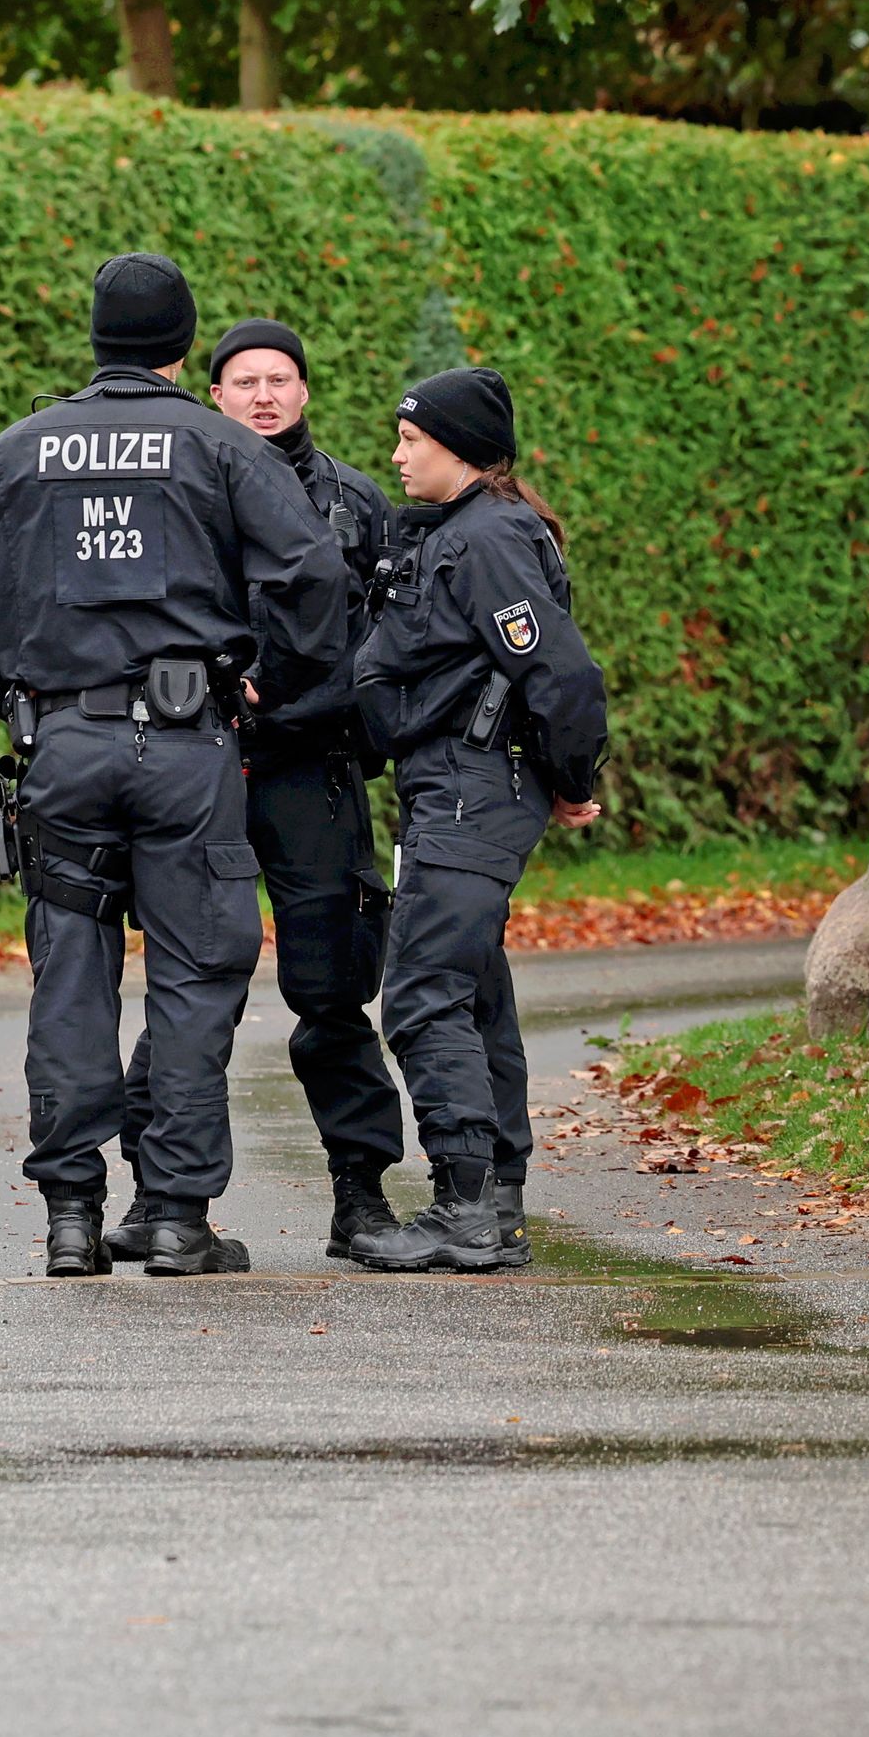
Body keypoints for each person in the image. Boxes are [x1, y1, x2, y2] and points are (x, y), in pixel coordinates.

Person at [0, 254, 349, 1277]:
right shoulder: (219, 445)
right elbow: (314, 572)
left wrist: (18, 702)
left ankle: (68, 1215)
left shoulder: (21, 448)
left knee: (71, 980)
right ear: (186, 347)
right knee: (194, 976)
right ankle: (178, 1216)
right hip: (188, 750)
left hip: (64, 749)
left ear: (95, 338)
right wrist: (263, 677)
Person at [98, 317, 446, 1272]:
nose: (262, 394)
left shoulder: (358, 502)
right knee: (188, 981)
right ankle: (157, 1194)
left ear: (304, 391)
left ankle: (361, 1196)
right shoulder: (166, 482)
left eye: (279, 378)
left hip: (312, 767)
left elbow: (388, 642)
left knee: (333, 989)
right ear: (212, 394)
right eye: (243, 379)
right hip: (192, 762)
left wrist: (296, 697)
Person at [357, 368, 608, 1272]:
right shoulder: (464, 532)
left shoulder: (489, 538)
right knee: (472, 990)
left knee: (423, 993)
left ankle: (462, 1206)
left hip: (472, 787)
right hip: (458, 786)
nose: (396, 454)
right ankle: (496, 1200)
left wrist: (573, 775)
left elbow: (563, 675)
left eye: (409, 439)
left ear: (456, 447)